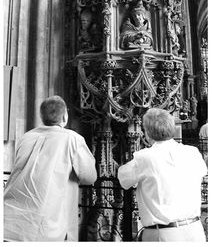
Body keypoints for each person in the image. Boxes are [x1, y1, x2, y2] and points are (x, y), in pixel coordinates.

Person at [4, 95, 97, 242]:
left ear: (41, 116)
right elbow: (89, 176)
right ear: (65, 116)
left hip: (9, 218)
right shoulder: (72, 138)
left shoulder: (27, 136)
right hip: (43, 225)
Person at [118, 108, 207, 242]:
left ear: (146, 133)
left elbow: (123, 180)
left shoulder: (144, 157)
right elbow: (202, 172)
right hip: (195, 231)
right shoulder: (192, 152)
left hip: (164, 235)